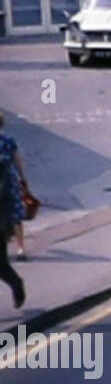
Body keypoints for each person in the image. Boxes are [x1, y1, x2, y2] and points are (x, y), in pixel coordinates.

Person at [0, 113, 27, 308]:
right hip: (7, 207)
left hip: (1, 213)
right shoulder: (9, 142)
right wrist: (23, 179)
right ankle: (16, 283)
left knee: (0, 263)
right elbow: (18, 162)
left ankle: (17, 284)